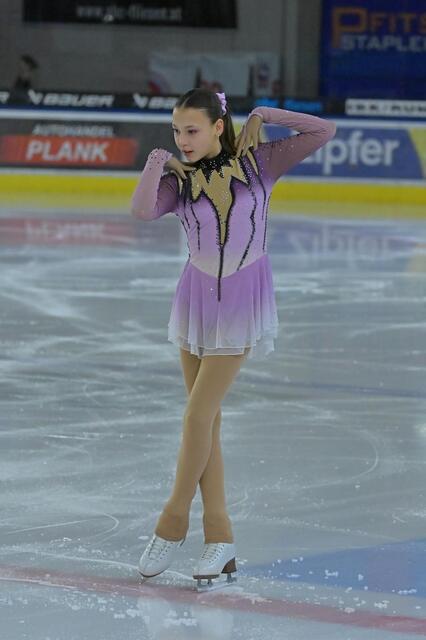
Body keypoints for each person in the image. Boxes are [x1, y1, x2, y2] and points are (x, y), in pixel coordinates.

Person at [131, 88, 336, 588]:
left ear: (218, 126)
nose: (183, 140)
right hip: (195, 300)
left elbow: (323, 130)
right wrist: (158, 161)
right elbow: (142, 210)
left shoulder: (260, 161)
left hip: (243, 300)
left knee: (197, 416)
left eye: (192, 130)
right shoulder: (180, 181)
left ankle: (172, 518)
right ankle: (219, 537)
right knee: (207, 422)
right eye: (176, 131)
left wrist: (263, 114)